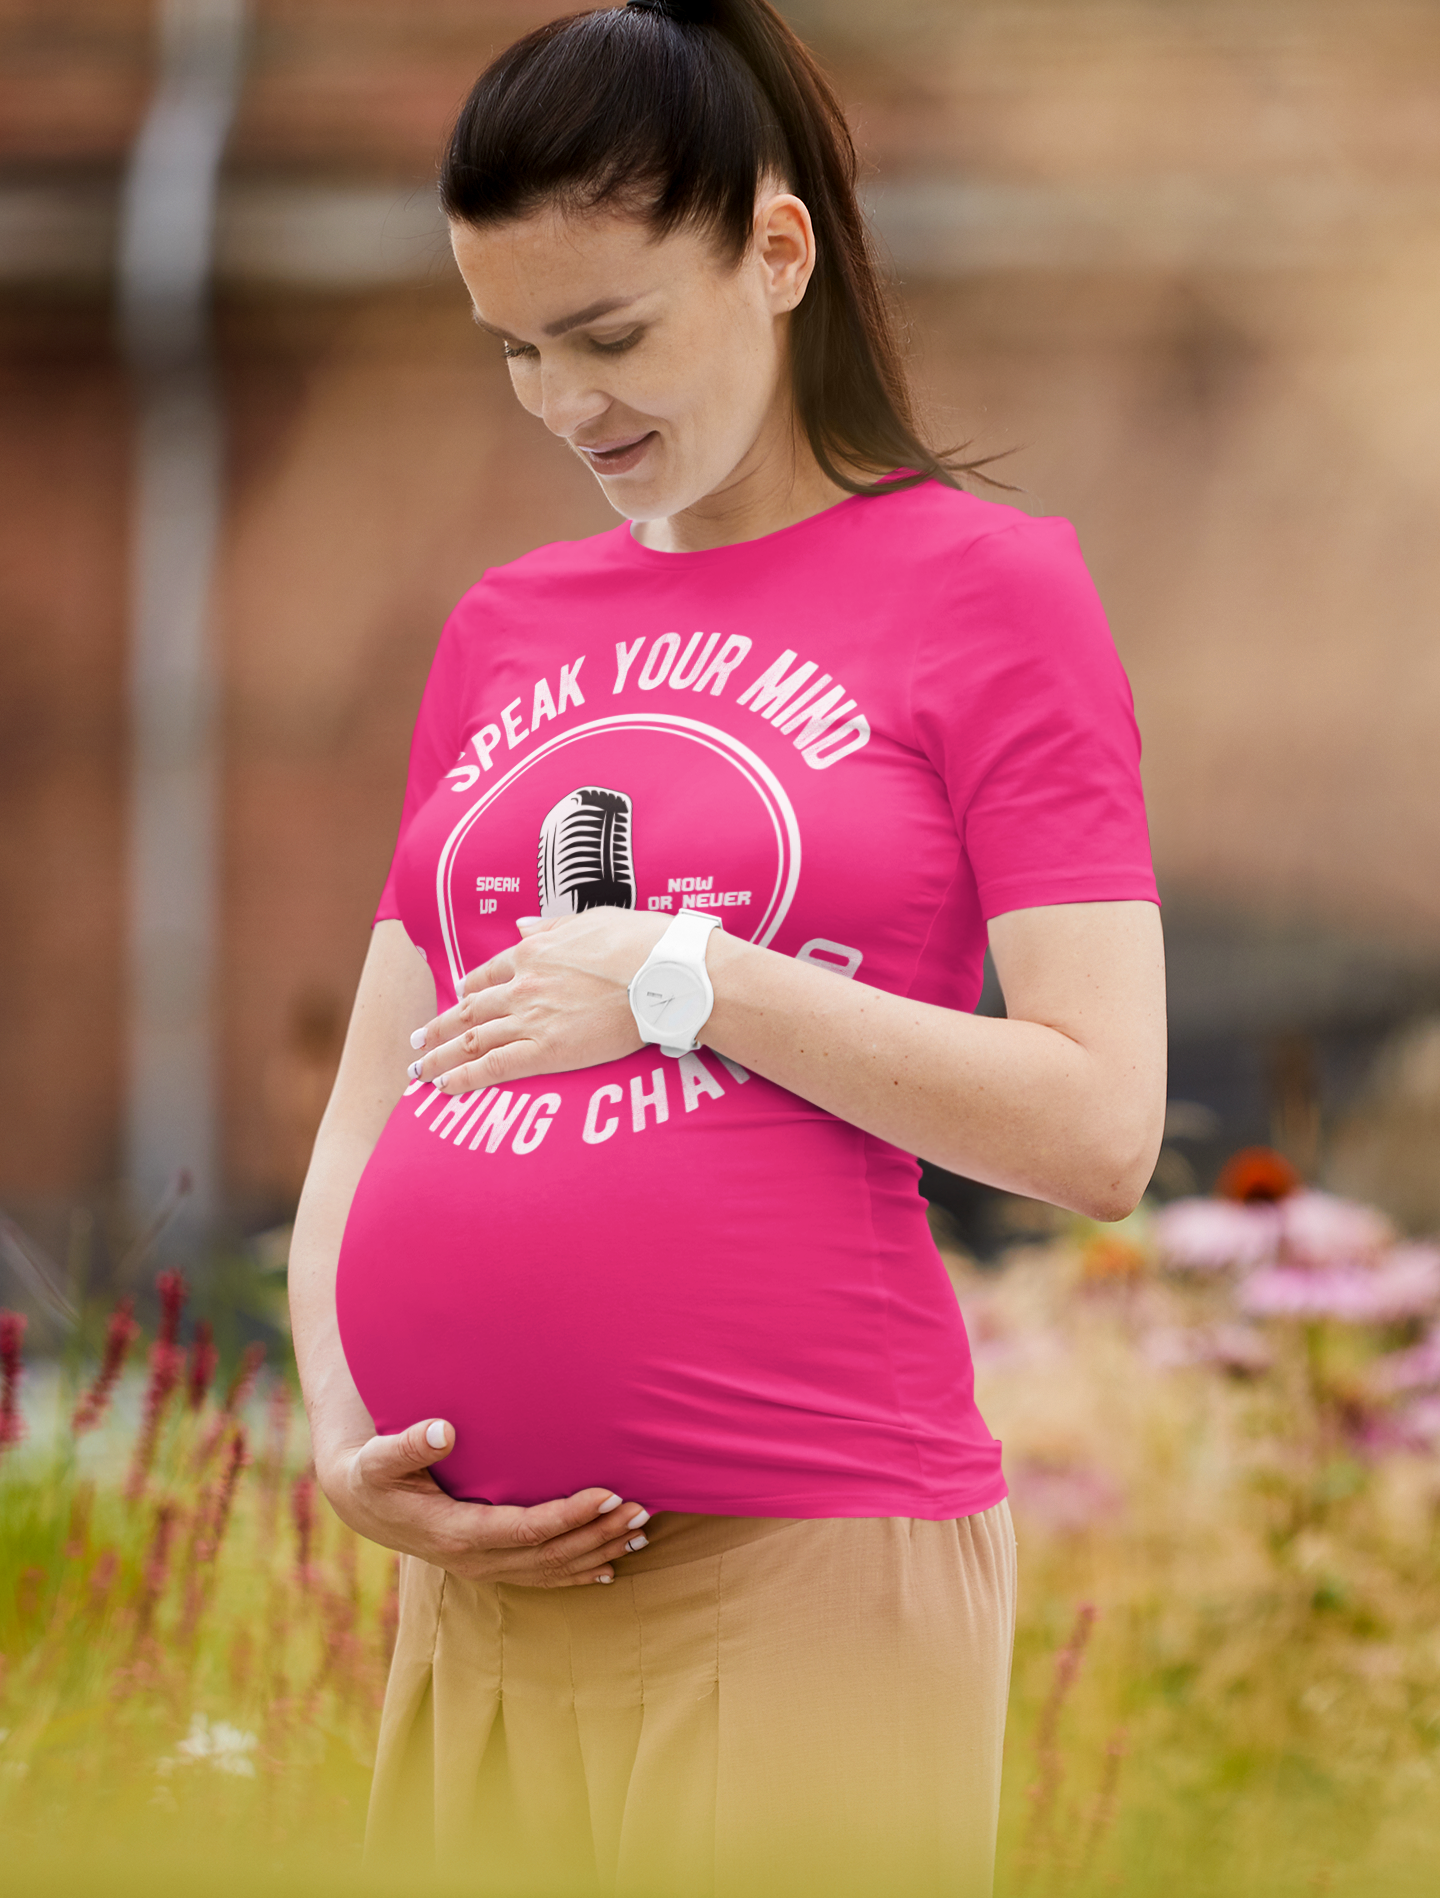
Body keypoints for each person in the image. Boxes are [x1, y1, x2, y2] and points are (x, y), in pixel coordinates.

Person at [288, 3, 1166, 1893]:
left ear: (777, 256)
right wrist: (348, 1436)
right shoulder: (504, 627)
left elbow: (1102, 1127)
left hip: (801, 1566)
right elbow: (372, 1101)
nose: (561, 403)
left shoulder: (992, 593)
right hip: (490, 1603)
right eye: (514, 347)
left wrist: (689, 977)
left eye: (607, 336)